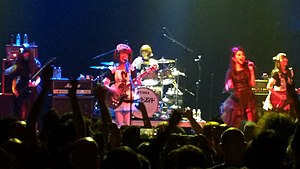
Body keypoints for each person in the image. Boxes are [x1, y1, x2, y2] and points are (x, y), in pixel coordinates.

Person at [102, 43, 139, 127]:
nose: (124, 56)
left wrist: (137, 83)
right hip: (117, 98)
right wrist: (113, 90)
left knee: (127, 124)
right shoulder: (113, 69)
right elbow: (105, 84)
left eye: (126, 54)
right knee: (119, 123)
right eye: (122, 53)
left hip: (128, 97)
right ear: (118, 55)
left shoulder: (132, 69)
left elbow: (134, 83)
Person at [221, 46, 257, 128]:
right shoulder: (231, 72)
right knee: (236, 121)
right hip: (237, 98)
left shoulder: (247, 69)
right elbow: (228, 86)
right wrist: (229, 85)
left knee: (250, 121)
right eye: (239, 55)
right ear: (234, 58)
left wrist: (251, 71)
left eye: (243, 55)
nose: (242, 56)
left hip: (248, 97)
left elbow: (252, 84)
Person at [4, 45, 41, 120]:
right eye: (24, 53)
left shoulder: (35, 63)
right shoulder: (19, 63)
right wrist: (13, 88)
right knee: (21, 107)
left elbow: (39, 77)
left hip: (32, 88)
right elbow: (14, 76)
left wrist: (35, 84)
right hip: (22, 86)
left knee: (33, 107)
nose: (26, 54)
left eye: (27, 53)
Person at [263, 53, 300, 118]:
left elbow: (289, 86)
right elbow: (268, 87)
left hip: (286, 96)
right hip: (277, 98)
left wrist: (295, 91)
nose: (285, 59)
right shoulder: (276, 73)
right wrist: (279, 96)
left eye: (286, 58)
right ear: (278, 61)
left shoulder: (289, 72)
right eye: (283, 58)